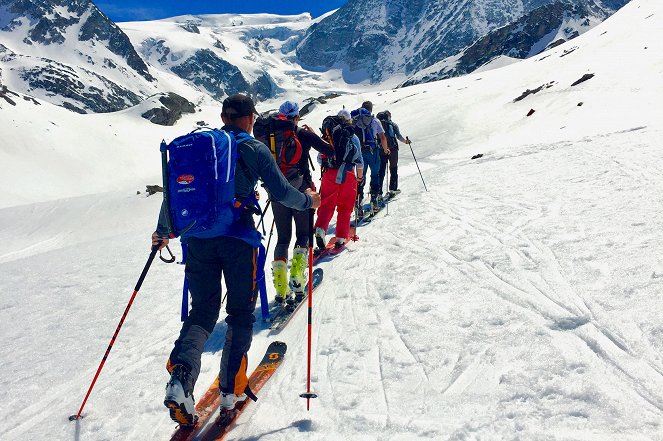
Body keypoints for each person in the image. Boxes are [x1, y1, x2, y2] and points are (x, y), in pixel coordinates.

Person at [152, 94, 321, 425]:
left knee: (202, 312)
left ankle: (181, 379)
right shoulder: (253, 148)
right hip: (238, 242)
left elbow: (176, 193)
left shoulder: (202, 149)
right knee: (240, 313)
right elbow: (282, 192)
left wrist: (161, 232)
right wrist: (308, 202)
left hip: (197, 241)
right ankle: (231, 390)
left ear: (223, 115)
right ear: (249, 118)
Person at [269, 101, 335, 304]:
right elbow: (330, 152)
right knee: (303, 234)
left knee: (282, 238)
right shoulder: (302, 134)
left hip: (277, 192)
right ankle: (297, 279)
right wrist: (313, 134)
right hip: (301, 189)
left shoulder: (270, 136)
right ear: (296, 117)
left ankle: (280, 288)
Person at [313, 109, 364, 250]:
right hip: (348, 175)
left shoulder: (328, 135)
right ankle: (341, 237)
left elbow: (319, 158)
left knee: (327, 204)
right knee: (345, 207)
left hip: (329, 174)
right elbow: (359, 161)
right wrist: (360, 177)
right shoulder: (353, 137)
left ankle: (320, 229)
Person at [352, 101, 389, 216]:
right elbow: (382, 137)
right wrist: (385, 149)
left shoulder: (355, 120)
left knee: (360, 178)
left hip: (359, 153)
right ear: (371, 109)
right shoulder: (374, 120)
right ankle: (374, 201)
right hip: (373, 152)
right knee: (375, 174)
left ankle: (358, 203)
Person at [377, 110, 410, 197]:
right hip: (393, 149)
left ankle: (378, 192)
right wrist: (406, 142)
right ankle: (393, 189)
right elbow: (398, 136)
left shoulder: (377, 125)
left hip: (381, 150)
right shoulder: (392, 124)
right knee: (393, 168)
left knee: (381, 171)